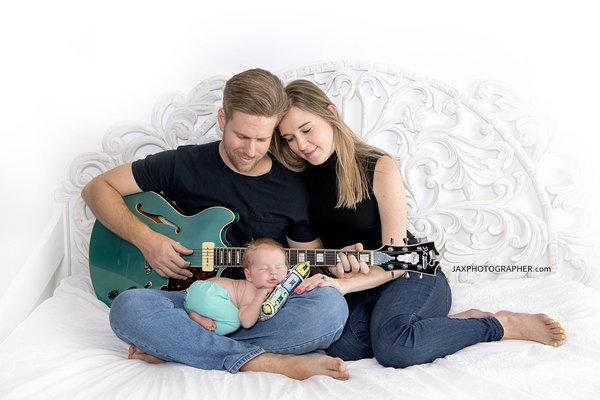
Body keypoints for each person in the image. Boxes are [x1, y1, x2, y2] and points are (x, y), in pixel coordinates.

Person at [271, 79, 567, 368]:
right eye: (289, 138)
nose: (301, 145)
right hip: (362, 284)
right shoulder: (296, 182)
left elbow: (398, 260)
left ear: (330, 114)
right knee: (341, 346)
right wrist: (334, 269)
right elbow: (317, 259)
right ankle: (447, 324)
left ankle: (497, 324)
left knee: (394, 347)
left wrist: (343, 286)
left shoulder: (377, 165)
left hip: (413, 270)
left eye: (307, 130)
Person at [82, 69, 350, 380]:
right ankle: (265, 362)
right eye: (242, 136)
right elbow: (96, 189)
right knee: (128, 309)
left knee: (330, 309)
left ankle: (179, 346)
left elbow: (309, 262)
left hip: (257, 306)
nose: (251, 150)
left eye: (262, 139)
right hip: (188, 303)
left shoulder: (293, 187)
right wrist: (148, 240)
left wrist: (328, 271)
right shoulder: (185, 164)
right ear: (222, 119)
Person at [184, 238, 288, 335]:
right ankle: (198, 322)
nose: (273, 272)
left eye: (279, 267)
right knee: (234, 322)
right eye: (264, 269)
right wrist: (258, 297)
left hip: (198, 291)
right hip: (211, 293)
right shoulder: (252, 290)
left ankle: (199, 315)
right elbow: (246, 322)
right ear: (249, 275)